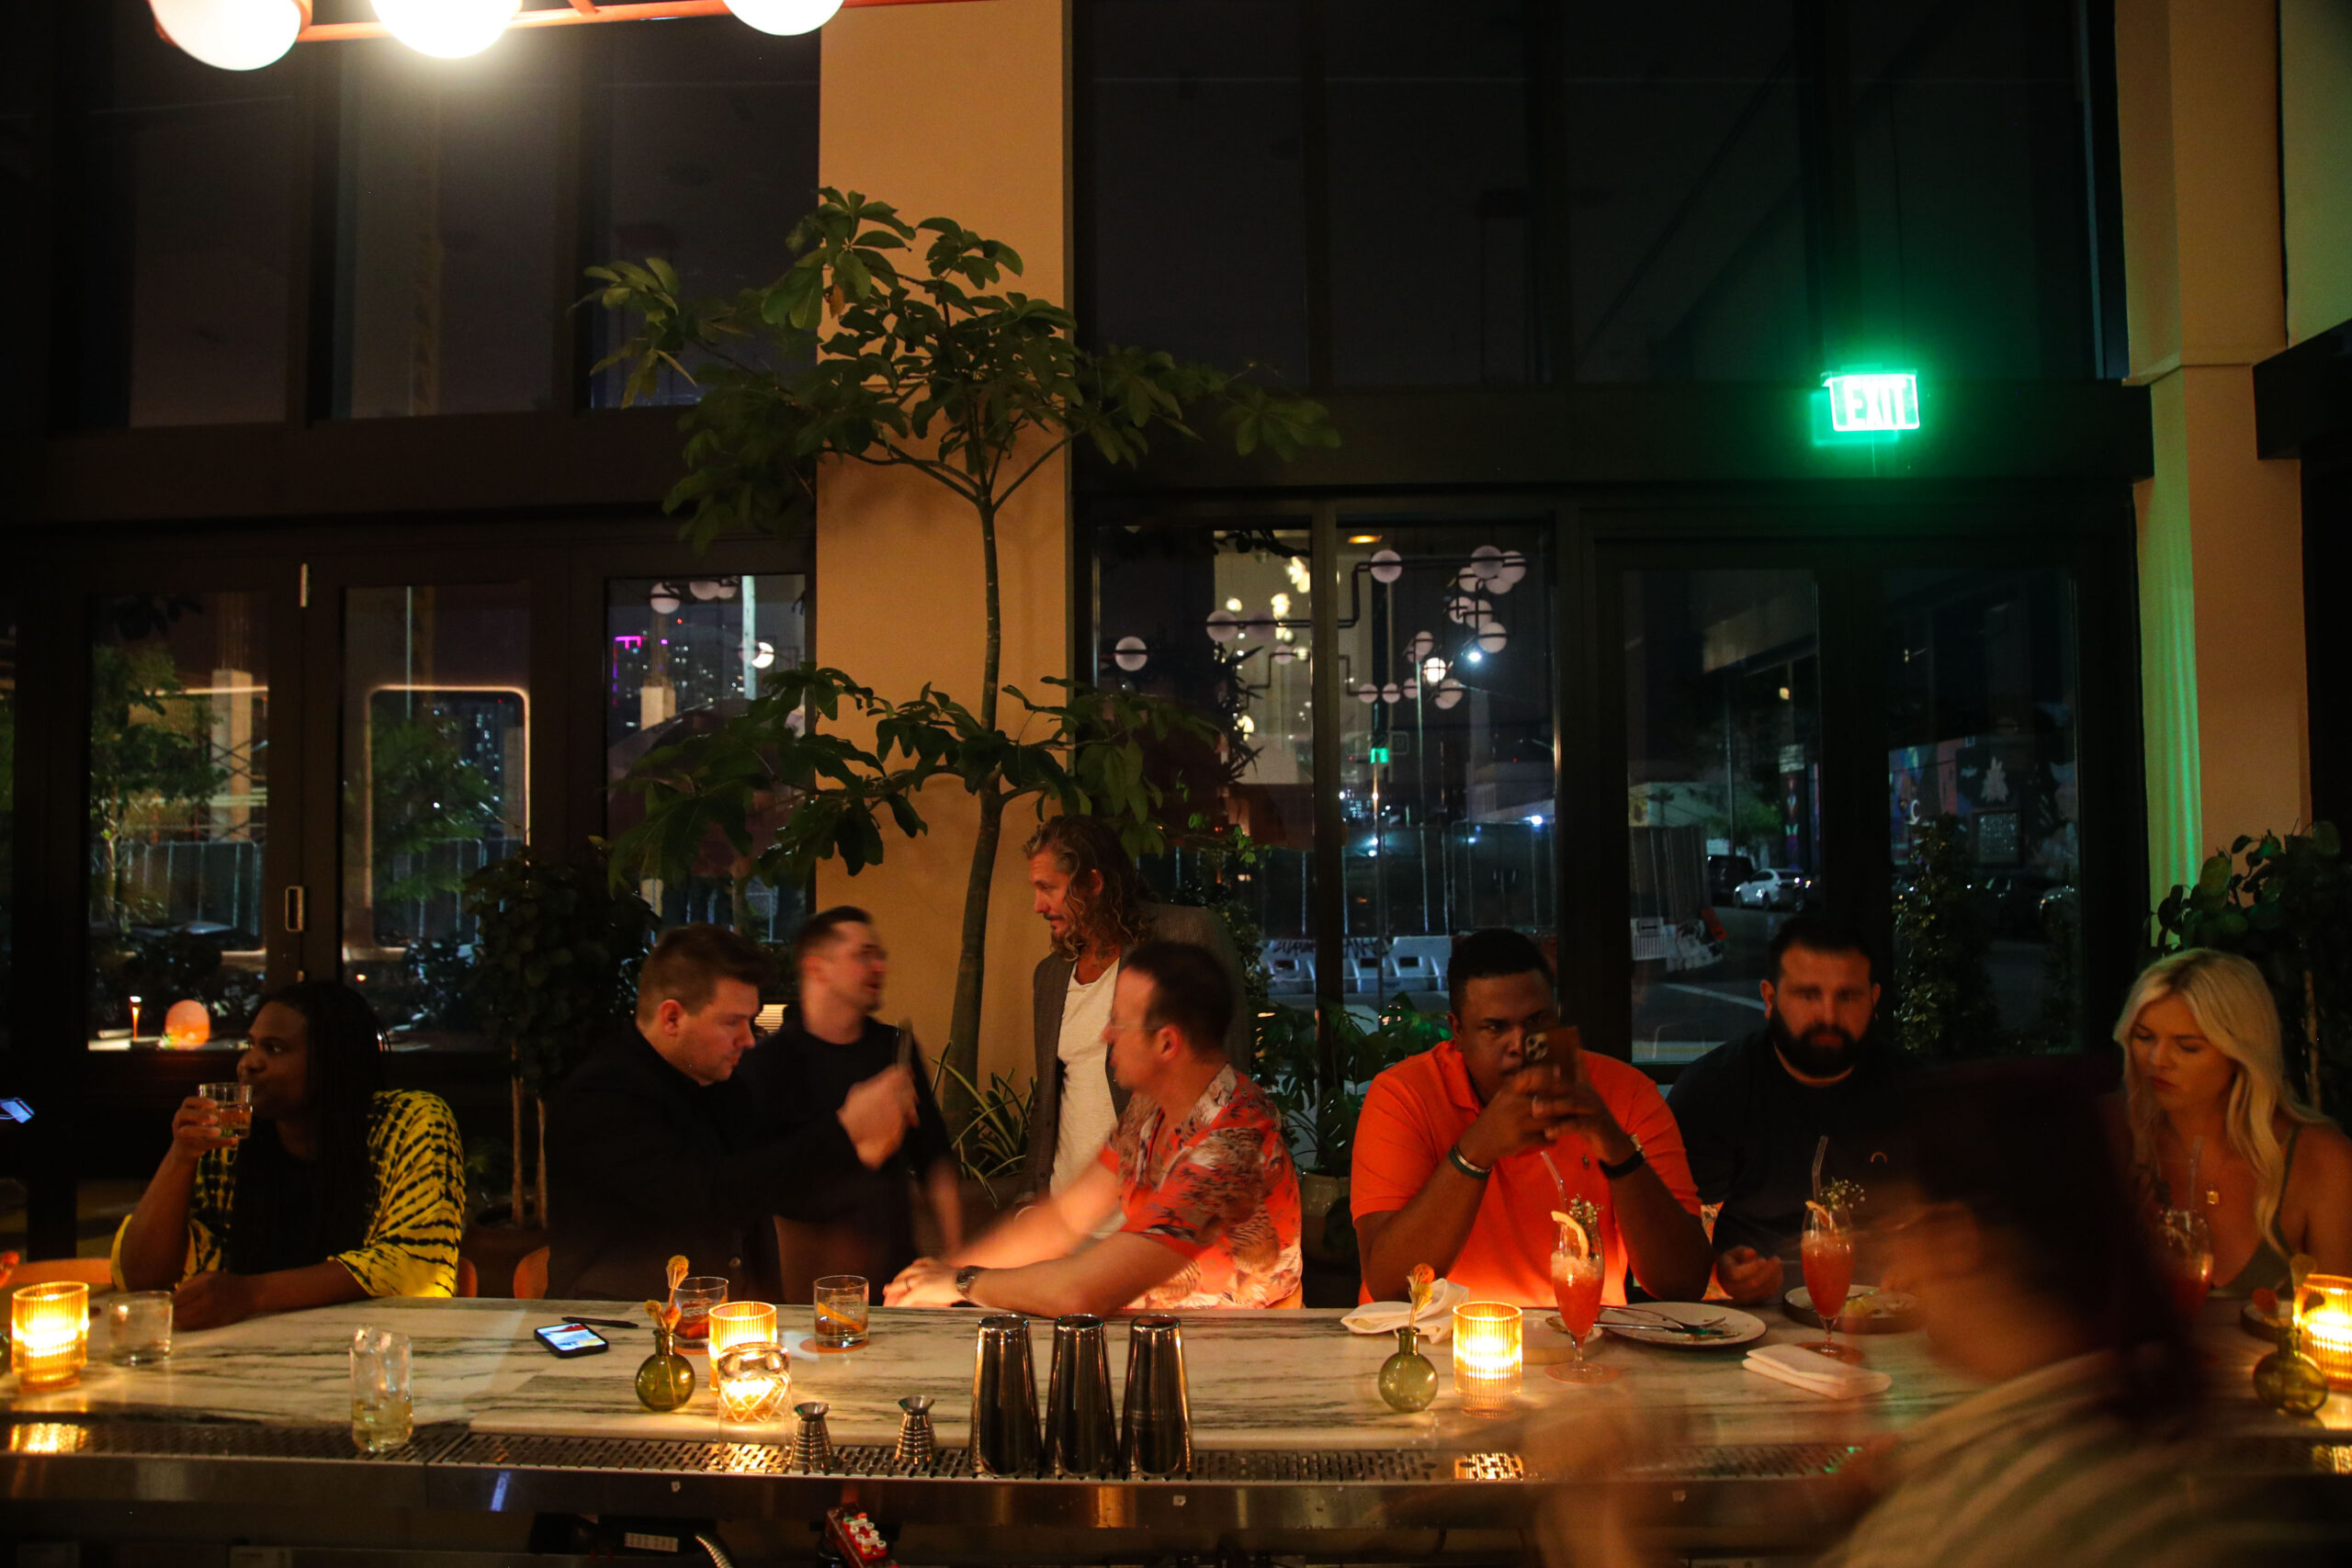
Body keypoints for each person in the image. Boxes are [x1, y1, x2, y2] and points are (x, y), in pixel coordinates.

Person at [1529, 1063, 2227, 1568]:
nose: (1894, 1261)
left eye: (1899, 1225)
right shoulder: (2159, 1428)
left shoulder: (1966, 1517)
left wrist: (1603, 1523)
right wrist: (1839, 1503)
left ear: (1957, 1242)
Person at [886, 941, 1302, 1314]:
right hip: (1168, 1335)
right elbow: (1064, 1220)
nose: (1106, 1035)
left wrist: (961, 1282)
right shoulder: (1150, 1107)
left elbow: (1083, 1292)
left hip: (1245, 1355)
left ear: (1167, 1044)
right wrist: (948, 1272)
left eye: (1119, 1022)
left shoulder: (1230, 1140)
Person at [546, 924, 918, 1302]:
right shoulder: (602, 1097)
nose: (748, 1038)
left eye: (750, 1020)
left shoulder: (720, 1083)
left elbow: (771, 1173)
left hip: (718, 1329)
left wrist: (859, 1151)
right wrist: (847, 1132)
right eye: (732, 1022)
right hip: (617, 1332)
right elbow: (712, 1196)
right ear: (672, 1018)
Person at [1352, 929, 1713, 1307]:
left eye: (1537, 1020)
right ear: (1457, 1030)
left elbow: (1683, 1282)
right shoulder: (1406, 1094)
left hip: (1582, 1344)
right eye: (1496, 1027)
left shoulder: (1624, 1092)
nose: (1520, 1045)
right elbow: (1389, 1285)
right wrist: (1477, 1150)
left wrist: (1616, 1148)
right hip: (1436, 1344)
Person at [113, 981, 465, 1329]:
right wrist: (181, 1156)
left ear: (333, 1062)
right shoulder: (229, 1144)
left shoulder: (410, 1123)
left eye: (275, 1049)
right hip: (248, 1356)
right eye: (250, 1045)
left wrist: (250, 1295)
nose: (249, 1063)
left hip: (374, 1350)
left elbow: (415, 1266)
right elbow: (143, 1279)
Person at [1666, 913, 1912, 1304]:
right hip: (1755, 1323)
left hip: (1887, 1319)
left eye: (1847, 996)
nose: (1829, 1017)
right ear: (1769, 998)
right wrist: (1721, 1273)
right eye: (1808, 995)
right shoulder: (1716, 1090)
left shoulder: (1913, 1092)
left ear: (1874, 1000)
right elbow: (1676, 1246)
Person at [1018, 815, 1252, 1205]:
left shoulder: (1185, 937)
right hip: (1069, 1212)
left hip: (1154, 1210)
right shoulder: (1050, 975)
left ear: (1093, 883)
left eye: (1049, 888)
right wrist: (1031, 1200)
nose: (1038, 905)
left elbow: (1229, 1071)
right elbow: (1050, 1099)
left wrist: (1189, 1197)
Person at [736, 907, 962, 1296]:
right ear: (817, 968)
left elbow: (935, 1160)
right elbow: (753, 1183)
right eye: (864, 955)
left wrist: (956, 1259)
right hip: (804, 1292)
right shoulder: (767, 1063)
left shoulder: (894, 1049)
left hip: (893, 1284)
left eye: (880, 956)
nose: (879, 967)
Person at [2114, 948, 2352, 1292]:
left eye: (2188, 1046)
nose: (2157, 1059)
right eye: (2144, 1037)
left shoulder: (2321, 1160)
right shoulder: (2111, 1137)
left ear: (2240, 1052)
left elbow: (2341, 1324)